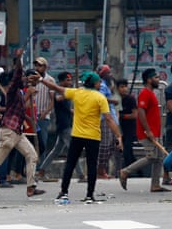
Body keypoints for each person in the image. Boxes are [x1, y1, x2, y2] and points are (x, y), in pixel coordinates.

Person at [30, 70, 123, 202]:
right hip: (93, 136)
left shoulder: (77, 93)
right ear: (95, 83)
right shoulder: (99, 97)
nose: (99, 84)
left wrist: (41, 80)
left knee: (70, 163)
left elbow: (56, 88)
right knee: (92, 166)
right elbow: (108, 119)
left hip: (77, 134)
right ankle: (90, 195)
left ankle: (64, 192)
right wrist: (118, 136)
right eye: (98, 82)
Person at [0, 49, 45, 198]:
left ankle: (31, 187)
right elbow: (17, 76)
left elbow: (23, 110)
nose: (23, 79)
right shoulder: (11, 91)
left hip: (16, 132)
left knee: (32, 156)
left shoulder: (19, 93)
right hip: (9, 132)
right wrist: (19, 59)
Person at [119, 69, 170, 193]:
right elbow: (141, 112)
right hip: (148, 133)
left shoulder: (151, 93)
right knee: (152, 157)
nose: (158, 80)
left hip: (155, 131)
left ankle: (155, 185)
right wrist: (148, 130)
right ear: (149, 79)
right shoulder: (145, 93)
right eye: (156, 77)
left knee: (159, 158)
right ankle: (126, 171)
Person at [37, 72, 85, 182]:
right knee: (74, 150)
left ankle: (41, 171)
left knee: (56, 151)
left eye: (70, 80)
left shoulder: (68, 93)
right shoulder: (59, 92)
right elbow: (58, 99)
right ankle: (81, 175)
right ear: (61, 81)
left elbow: (69, 109)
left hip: (66, 123)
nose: (69, 82)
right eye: (67, 80)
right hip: (63, 125)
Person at [33, 57, 55, 161]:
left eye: (40, 65)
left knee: (42, 142)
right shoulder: (32, 78)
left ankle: (40, 167)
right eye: (36, 65)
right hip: (31, 115)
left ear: (45, 67)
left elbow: (52, 101)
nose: (37, 68)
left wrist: (45, 112)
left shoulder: (50, 80)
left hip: (43, 116)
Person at [116, 79, 138, 169]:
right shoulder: (116, 99)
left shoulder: (130, 99)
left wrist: (121, 116)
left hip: (130, 128)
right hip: (120, 128)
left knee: (127, 150)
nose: (124, 89)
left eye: (125, 86)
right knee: (127, 152)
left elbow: (135, 115)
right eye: (122, 87)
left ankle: (129, 170)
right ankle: (137, 170)